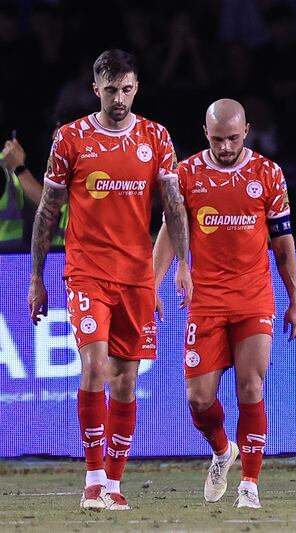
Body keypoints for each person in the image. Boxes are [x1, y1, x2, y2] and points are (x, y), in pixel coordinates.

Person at [27, 49, 191, 511]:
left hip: (137, 277)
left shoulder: (156, 137)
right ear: (95, 88)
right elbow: (48, 211)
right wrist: (37, 277)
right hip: (87, 273)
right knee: (95, 367)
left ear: (136, 88)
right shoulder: (71, 139)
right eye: (110, 89)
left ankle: (115, 483)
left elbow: (174, 206)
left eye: (126, 88)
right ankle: (93, 478)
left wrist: (182, 265)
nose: (118, 97)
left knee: (124, 381)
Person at [152, 98, 296, 509]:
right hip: (205, 301)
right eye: (217, 139)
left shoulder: (267, 174)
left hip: (254, 296)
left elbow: (283, 243)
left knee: (251, 386)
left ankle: (250, 485)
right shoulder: (185, 175)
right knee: (198, 399)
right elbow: (169, 231)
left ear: (247, 130)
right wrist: (154, 283)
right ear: (206, 134)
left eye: (233, 138)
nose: (225, 146)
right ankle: (222, 450)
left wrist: (295, 298)